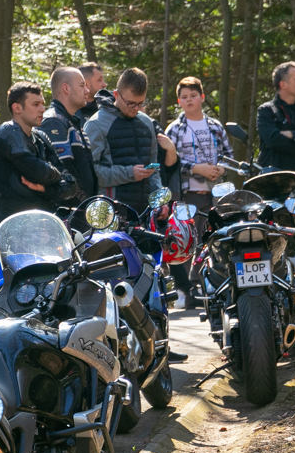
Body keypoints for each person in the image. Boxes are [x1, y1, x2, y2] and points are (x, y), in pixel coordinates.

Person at [165, 76, 233, 308]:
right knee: (185, 240)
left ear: (202, 97)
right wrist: (196, 168)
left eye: (193, 95)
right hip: (187, 193)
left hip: (215, 194)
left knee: (212, 240)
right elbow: (170, 164)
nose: (189, 100)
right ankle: (184, 290)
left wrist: (221, 168)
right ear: (179, 101)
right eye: (184, 97)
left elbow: (229, 155)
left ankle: (208, 285)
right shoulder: (174, 129)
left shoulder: (215, 126)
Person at [0, 82, 76, 222]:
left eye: (42, 104)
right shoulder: (8, 131)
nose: (42, 109)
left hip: (47, 222)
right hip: (17, 226)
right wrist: (55, 178)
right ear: (17, 108)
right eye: (35, 104)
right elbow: (37, 172)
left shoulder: (40, 137)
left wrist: (45, 189)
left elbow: (71, 186)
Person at [83, 67, 163, 214]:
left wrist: (159, 200)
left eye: (140, 103)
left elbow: (154, 168)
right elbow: (91, 173)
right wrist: (129, 173)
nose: (135, 108)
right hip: (111, 214)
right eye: (131, 103)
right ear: (116, 95)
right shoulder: (96, 124)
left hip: (145, 213)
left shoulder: (147, 123)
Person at [38, 67, 98, 201]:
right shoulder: (54, 121)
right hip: (69, 212)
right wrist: (83, 204)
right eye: (82, 85)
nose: (87, 91)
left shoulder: (73, 122)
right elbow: (61, 170)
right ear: (66, 88)